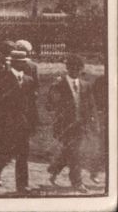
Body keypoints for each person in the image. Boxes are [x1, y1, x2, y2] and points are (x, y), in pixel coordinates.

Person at [0, 50, 39, 194]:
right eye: (21, 62)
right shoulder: (3, 78)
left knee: (23, 154)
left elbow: (32, 104)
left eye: (25, 62)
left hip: (23, 123)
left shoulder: (29, 80)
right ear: (13, 62)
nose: (24, 64)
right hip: (7, 122)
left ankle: (22, 185)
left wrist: (34, 122)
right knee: (6, 152)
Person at [46, 54, 94, 192]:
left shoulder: (86, 85)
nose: (74, 71)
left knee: (72, 152)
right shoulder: (58, 84)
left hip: (80, 126)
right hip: (64, 127)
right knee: (75, 153)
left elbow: (91, 106)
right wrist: (54, 94)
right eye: (71, 68)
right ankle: (77, 183)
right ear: (67, 68)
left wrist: (93, 123)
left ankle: (54, 170)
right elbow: (49, 106)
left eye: (77, 68)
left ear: (81, 69)